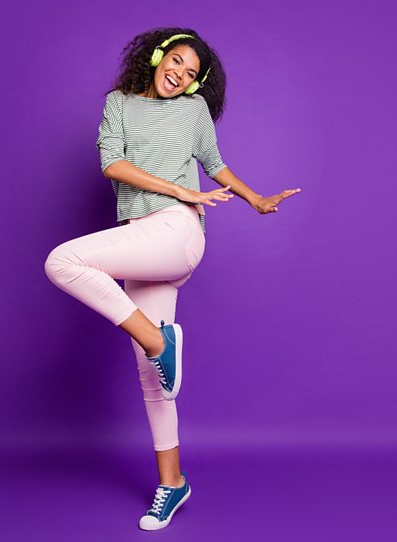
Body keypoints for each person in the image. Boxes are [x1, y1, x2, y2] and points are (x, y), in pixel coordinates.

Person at [44, 27, 301, 531]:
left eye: (191, 74)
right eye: (176, 62)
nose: (180, 75)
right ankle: (173, 483)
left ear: (194, 84)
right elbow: (111, 164)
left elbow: (215, 164)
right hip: (140, 237)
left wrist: (256, 199)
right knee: (154, 379)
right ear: (158, 55)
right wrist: (176, 187)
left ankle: (157, 341)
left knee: (62, 262)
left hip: (178, 232)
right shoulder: (118, 103)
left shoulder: (193, 111)